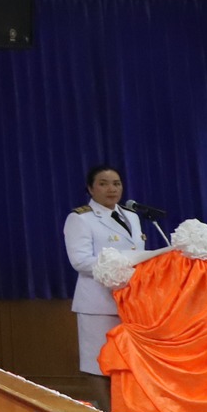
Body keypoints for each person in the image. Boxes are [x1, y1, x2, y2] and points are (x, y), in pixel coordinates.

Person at [64, 164, 143, 397]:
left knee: (127, 361)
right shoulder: (80, 219)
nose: (112, 189)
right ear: (90, 188)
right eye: (104, 183)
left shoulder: (131, 216)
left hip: (132, 302)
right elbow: (80, 261)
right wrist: (118, 268)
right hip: (98, 303)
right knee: (98, 361)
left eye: (116, 183)